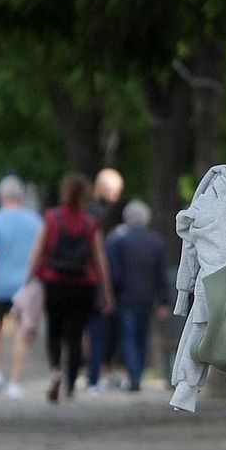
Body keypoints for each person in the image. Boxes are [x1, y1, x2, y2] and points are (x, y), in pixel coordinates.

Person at [28, 173, 114, 403]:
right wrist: (106, 291)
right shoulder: (90, 223)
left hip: (54, 281)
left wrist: (28, 278)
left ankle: (56, 369)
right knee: (76, 336)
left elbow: (38, 250)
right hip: (82, 284)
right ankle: (70, 386)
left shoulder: (51, 218)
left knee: (54, 330)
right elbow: (99, 259)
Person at [0, 175, 43, 398]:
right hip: (25, 286)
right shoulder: (35, 221)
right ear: (22, 197)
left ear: (1, 196)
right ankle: (15, 382)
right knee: (20, 332)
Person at [104, 200, 168, 392]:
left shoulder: (118, 242)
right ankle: (137, 373)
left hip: (125, 297)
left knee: (128, 337)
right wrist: (164, 301)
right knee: (141, 337)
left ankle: (134, 375)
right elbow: (160, 275)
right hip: (147, 298)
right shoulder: (156, 242)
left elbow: (114, 273)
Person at [85, 167, 126, 391]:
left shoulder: (102, 212)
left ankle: (98, 370)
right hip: (98, 278)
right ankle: (97, 370)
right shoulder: (97, 216)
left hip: (99, 277)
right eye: (113, 191)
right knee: (98, 328)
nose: (116, 197)